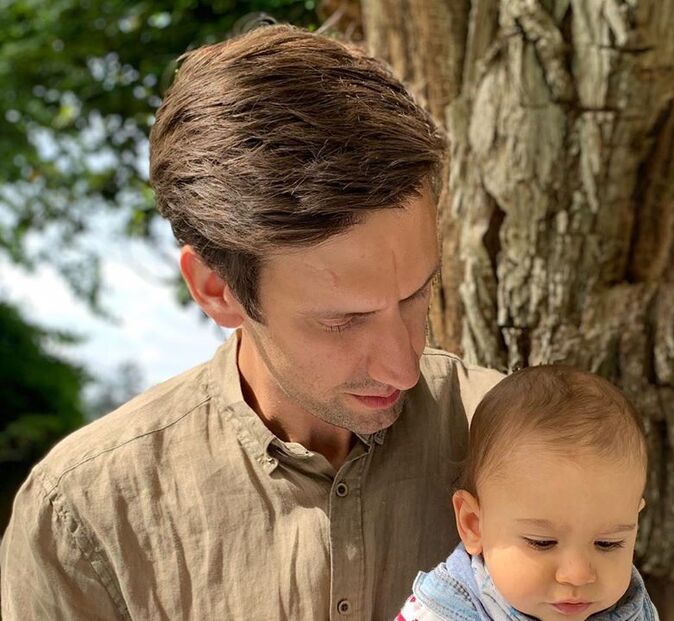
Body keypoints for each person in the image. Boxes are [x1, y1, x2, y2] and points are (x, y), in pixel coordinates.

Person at [0, 24, 502, 620]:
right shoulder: (85, 516)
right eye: (342, 321)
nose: (404, 364)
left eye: (418, 295)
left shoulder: (520, 436)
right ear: (217, 291)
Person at [397, 366, 658, 621]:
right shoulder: (441, 611)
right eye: (542, 542)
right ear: (474, 525)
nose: (577, 574)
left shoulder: (632, 608)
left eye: (608, 543)